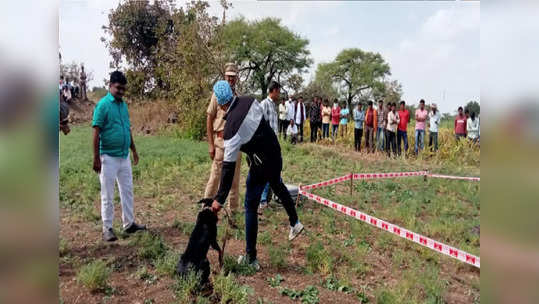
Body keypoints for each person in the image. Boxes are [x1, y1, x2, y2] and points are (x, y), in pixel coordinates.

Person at [209, 80, 304, 270]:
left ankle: (251, 258)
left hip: (261, 164)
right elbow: (254, 129)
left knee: (250, 206)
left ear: (220, 103)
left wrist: (219, 199)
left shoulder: (231, 130)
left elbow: (227, 169)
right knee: (277, 184)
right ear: (232, 92)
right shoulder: (250, 101)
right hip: (275, 153)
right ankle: (295, 222)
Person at [92, 71, 146, 242]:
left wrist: (134, 150)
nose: (121, 91)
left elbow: (127, 129)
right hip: (107, 157)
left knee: (127, 191)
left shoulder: (123, 105)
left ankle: (129, 224)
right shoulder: (102, 105)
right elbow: (96, 132)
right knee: (108, 194)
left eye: (123, 89)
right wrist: (96, 158)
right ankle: (107, 228)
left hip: (124, 157)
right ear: (110, 86)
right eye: (118, 88)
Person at [204, 63, 242, 215]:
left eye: (233, 77)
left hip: (236, 143)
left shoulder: (238, 96)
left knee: (234, 181)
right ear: (224, 77)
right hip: (220, 143)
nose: (231, 80)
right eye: (228, 77)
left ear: (236, 78)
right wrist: (211, 145)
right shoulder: (217, 94)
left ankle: (233, 213)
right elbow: (209, 117)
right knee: (215, 178)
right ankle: (206, 210)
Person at [259, 81, 281, 210]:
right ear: (273, 91)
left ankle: (273, 197)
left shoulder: (273, 105)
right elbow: (261, 124)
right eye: (278, 91)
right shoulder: (264, 104)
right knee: (268, 172)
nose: (279, 94)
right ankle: (262, 200)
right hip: (267, 144)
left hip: (274, 143)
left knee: (274, 171)